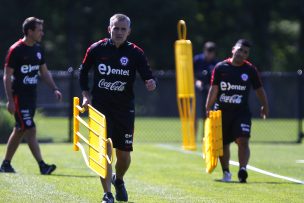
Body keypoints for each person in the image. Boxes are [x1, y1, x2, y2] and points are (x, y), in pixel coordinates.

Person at [79, 14, 156, 203]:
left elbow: (148, 75)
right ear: (109, 29)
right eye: (116, 28)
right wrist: (86, 95)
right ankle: (107, 194)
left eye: (123, 29)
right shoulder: (96, 49)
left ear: (129, 31)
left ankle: (118, 180)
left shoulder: (136, 53)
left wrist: (151, 82)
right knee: (104, 152)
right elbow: (83, 72)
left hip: (124, 110)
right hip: (100, 109)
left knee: (124, 157)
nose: (119, 32)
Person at [1, 17, 62, 175]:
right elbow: (7, 76)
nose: (42, 33)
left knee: (20, 129)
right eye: (39, 30)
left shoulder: (38, 49)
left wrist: (54, 88)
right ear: (29, 31)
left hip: (31, 97)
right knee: (30, 129)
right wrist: (9, 100)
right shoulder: (16, 49)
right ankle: (42, 165)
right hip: (18, 97)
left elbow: (44, 72)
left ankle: (6, 164)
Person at [205, 39, 269, 183]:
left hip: (241, 113)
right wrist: (208, 107)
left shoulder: (250, 70)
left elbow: (259, 89)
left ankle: (243, 169)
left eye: (245, 52)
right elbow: (213, 89)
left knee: (243, 140)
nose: (242, 54)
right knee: (223, 144)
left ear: (247, 55)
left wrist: (265, 106)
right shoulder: (220, 67)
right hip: (221, 112)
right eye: (240, 50)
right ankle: (226, 173)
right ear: (233, 49)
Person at [193, 41, 218, 134]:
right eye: (207, 51)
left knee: (207, 114)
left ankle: (206, 135)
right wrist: (196, 81)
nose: (209, 54)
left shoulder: (216, 63)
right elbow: (189, 73)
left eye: (211, 52)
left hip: (208, 92)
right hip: (196, 91)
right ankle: (193, 138)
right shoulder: (197, 60)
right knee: (194, 115)